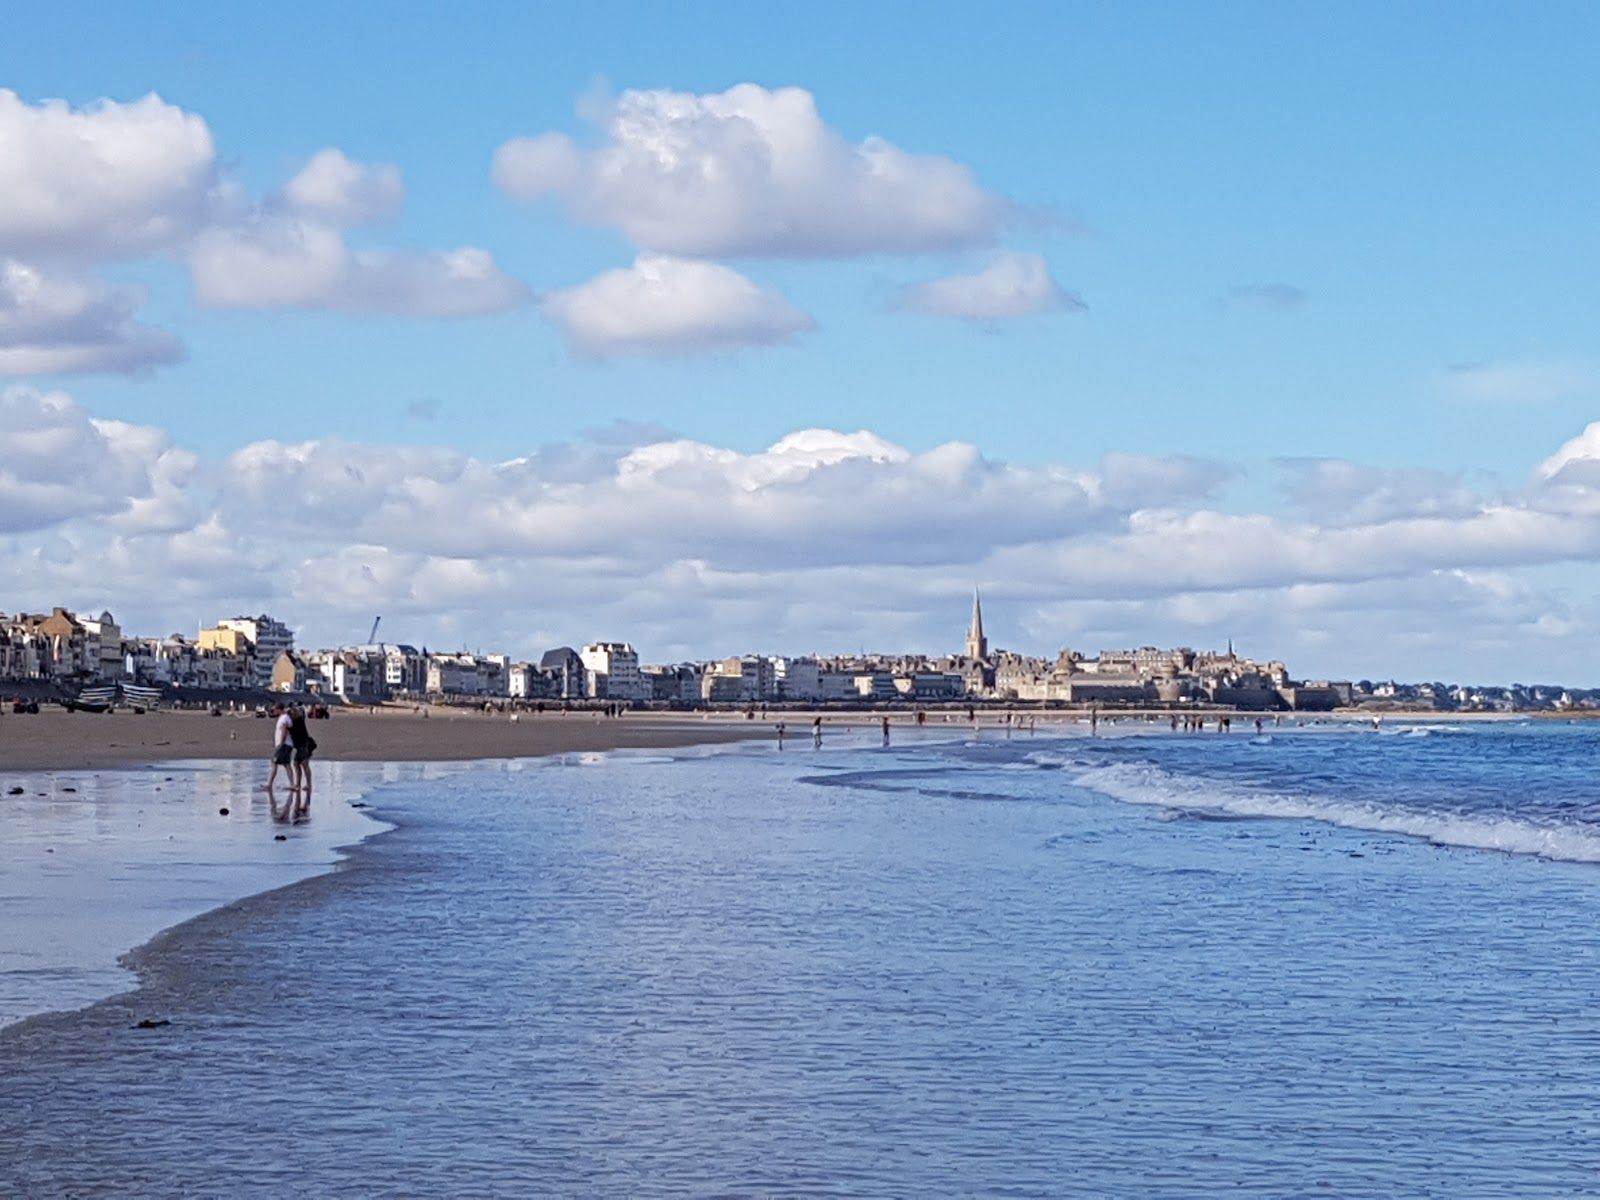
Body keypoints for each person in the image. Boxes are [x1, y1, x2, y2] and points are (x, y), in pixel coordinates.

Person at [288, 703, 317, 802]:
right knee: (296, 764)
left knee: (304, 764)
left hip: (304, 745)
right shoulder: (291, 722)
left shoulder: (299, 720)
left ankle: (308, 784)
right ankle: (298, 784)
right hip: (300, 745)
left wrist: (295, 710)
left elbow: (301, 714)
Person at [264, 701, 293, 790]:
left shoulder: (284, 718)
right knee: (286, 764)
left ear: (279, 710)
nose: (274, 712)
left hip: (284, 745)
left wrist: (281, 743)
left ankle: (269, 784)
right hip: (286, 744)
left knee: (274, 762)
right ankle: (292, 784)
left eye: (275, 710)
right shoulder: (284, 717)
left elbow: (285, 731)